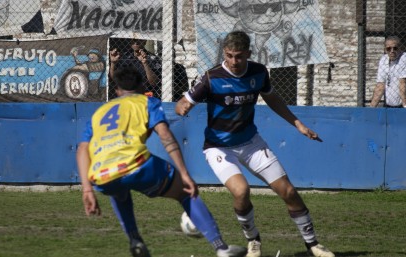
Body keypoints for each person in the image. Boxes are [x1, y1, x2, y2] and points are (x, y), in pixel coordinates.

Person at [175, 31, 335, 257]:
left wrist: (297, 124)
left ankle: (313, 245)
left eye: (239, 56)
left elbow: (272, 99)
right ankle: (253, 241)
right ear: (224, 53)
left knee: (288, 192)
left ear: (248, 54)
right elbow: (183, 102)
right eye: (229, 56)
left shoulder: (259, 72)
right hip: (218, 147)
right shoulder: (212, 77)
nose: (234, 61)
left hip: (251, 142)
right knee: (241, 191)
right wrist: (182, 106)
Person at [76, 67, 247, 257]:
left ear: (117, 91)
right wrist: (184, 173)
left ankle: (135, 240)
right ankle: (221, 248)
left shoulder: (99, 112)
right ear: (142, 87)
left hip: (102, 175)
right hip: (137, 164)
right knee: (186, 192)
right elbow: (165, 135)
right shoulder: (147, 102)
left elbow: (83, 149)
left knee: (119, 190)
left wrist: (86, 189)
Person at [370, 36, 406, 108]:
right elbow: (380, 85)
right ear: (385, 50)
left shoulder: (405, 57)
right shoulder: (383, 59)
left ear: (400, 48)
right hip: (389, 104)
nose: (392, 51)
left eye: (395, 48)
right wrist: (371, 108)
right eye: (389, 49)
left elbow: (402, 82)